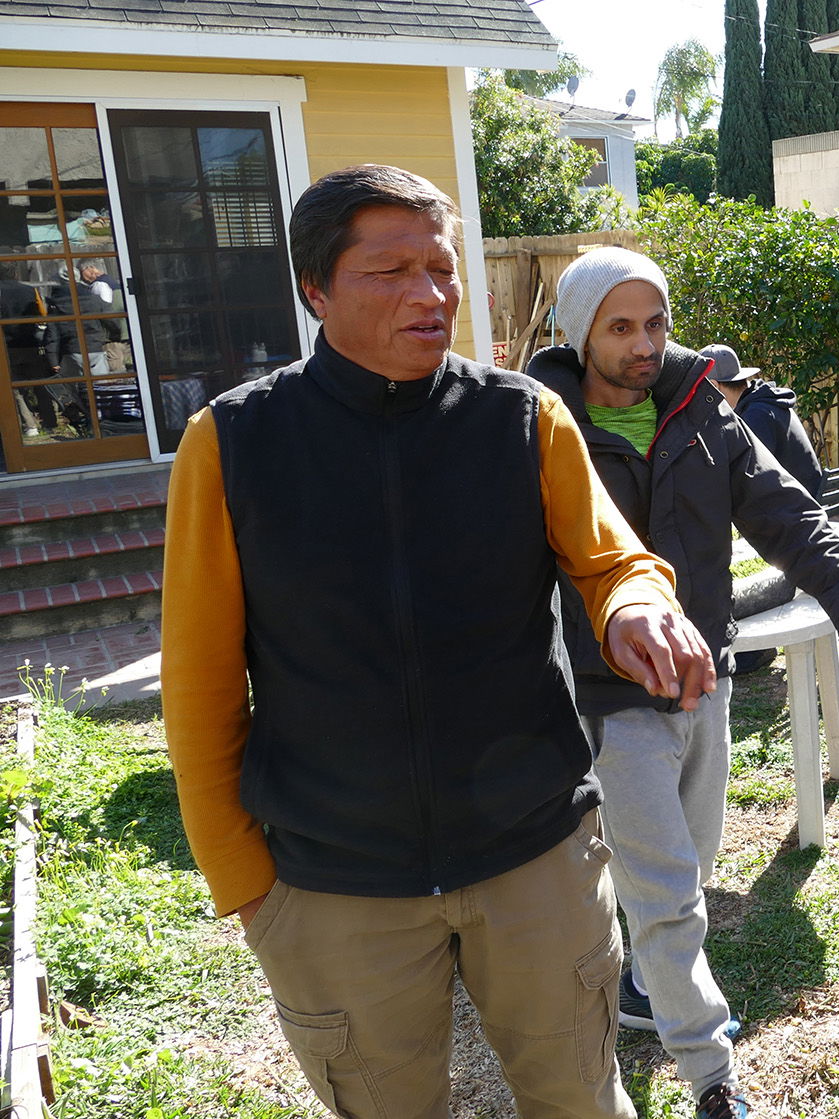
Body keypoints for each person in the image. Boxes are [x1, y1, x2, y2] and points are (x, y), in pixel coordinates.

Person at [162, 164, 716, 1119]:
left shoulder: (523, 418)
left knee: (582, 1099)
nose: (430, 295)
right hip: (336, 883)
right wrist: (248, 886)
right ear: (315, 289)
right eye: (389, 272)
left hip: (534, 856)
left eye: (442, 266)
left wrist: (634, 601)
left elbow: (609, 558)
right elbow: (200, 685)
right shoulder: (233, 443)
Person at [526, 247, 839, 1119]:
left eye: (656, 322)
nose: (646, 343)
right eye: (622, 327)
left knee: (687, 862)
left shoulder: (701, 413)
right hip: (607, 692)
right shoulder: (543, 430)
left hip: (706, 679)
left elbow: (786, 513)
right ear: (582, 334)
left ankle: (643, 979)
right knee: (667, 894)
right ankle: (711, 1073)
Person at [702, 343, 825, 498]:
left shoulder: (756, 415)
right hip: (804, 497)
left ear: (714, 386)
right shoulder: (766, 401)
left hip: (795, 509)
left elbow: (749, 477)